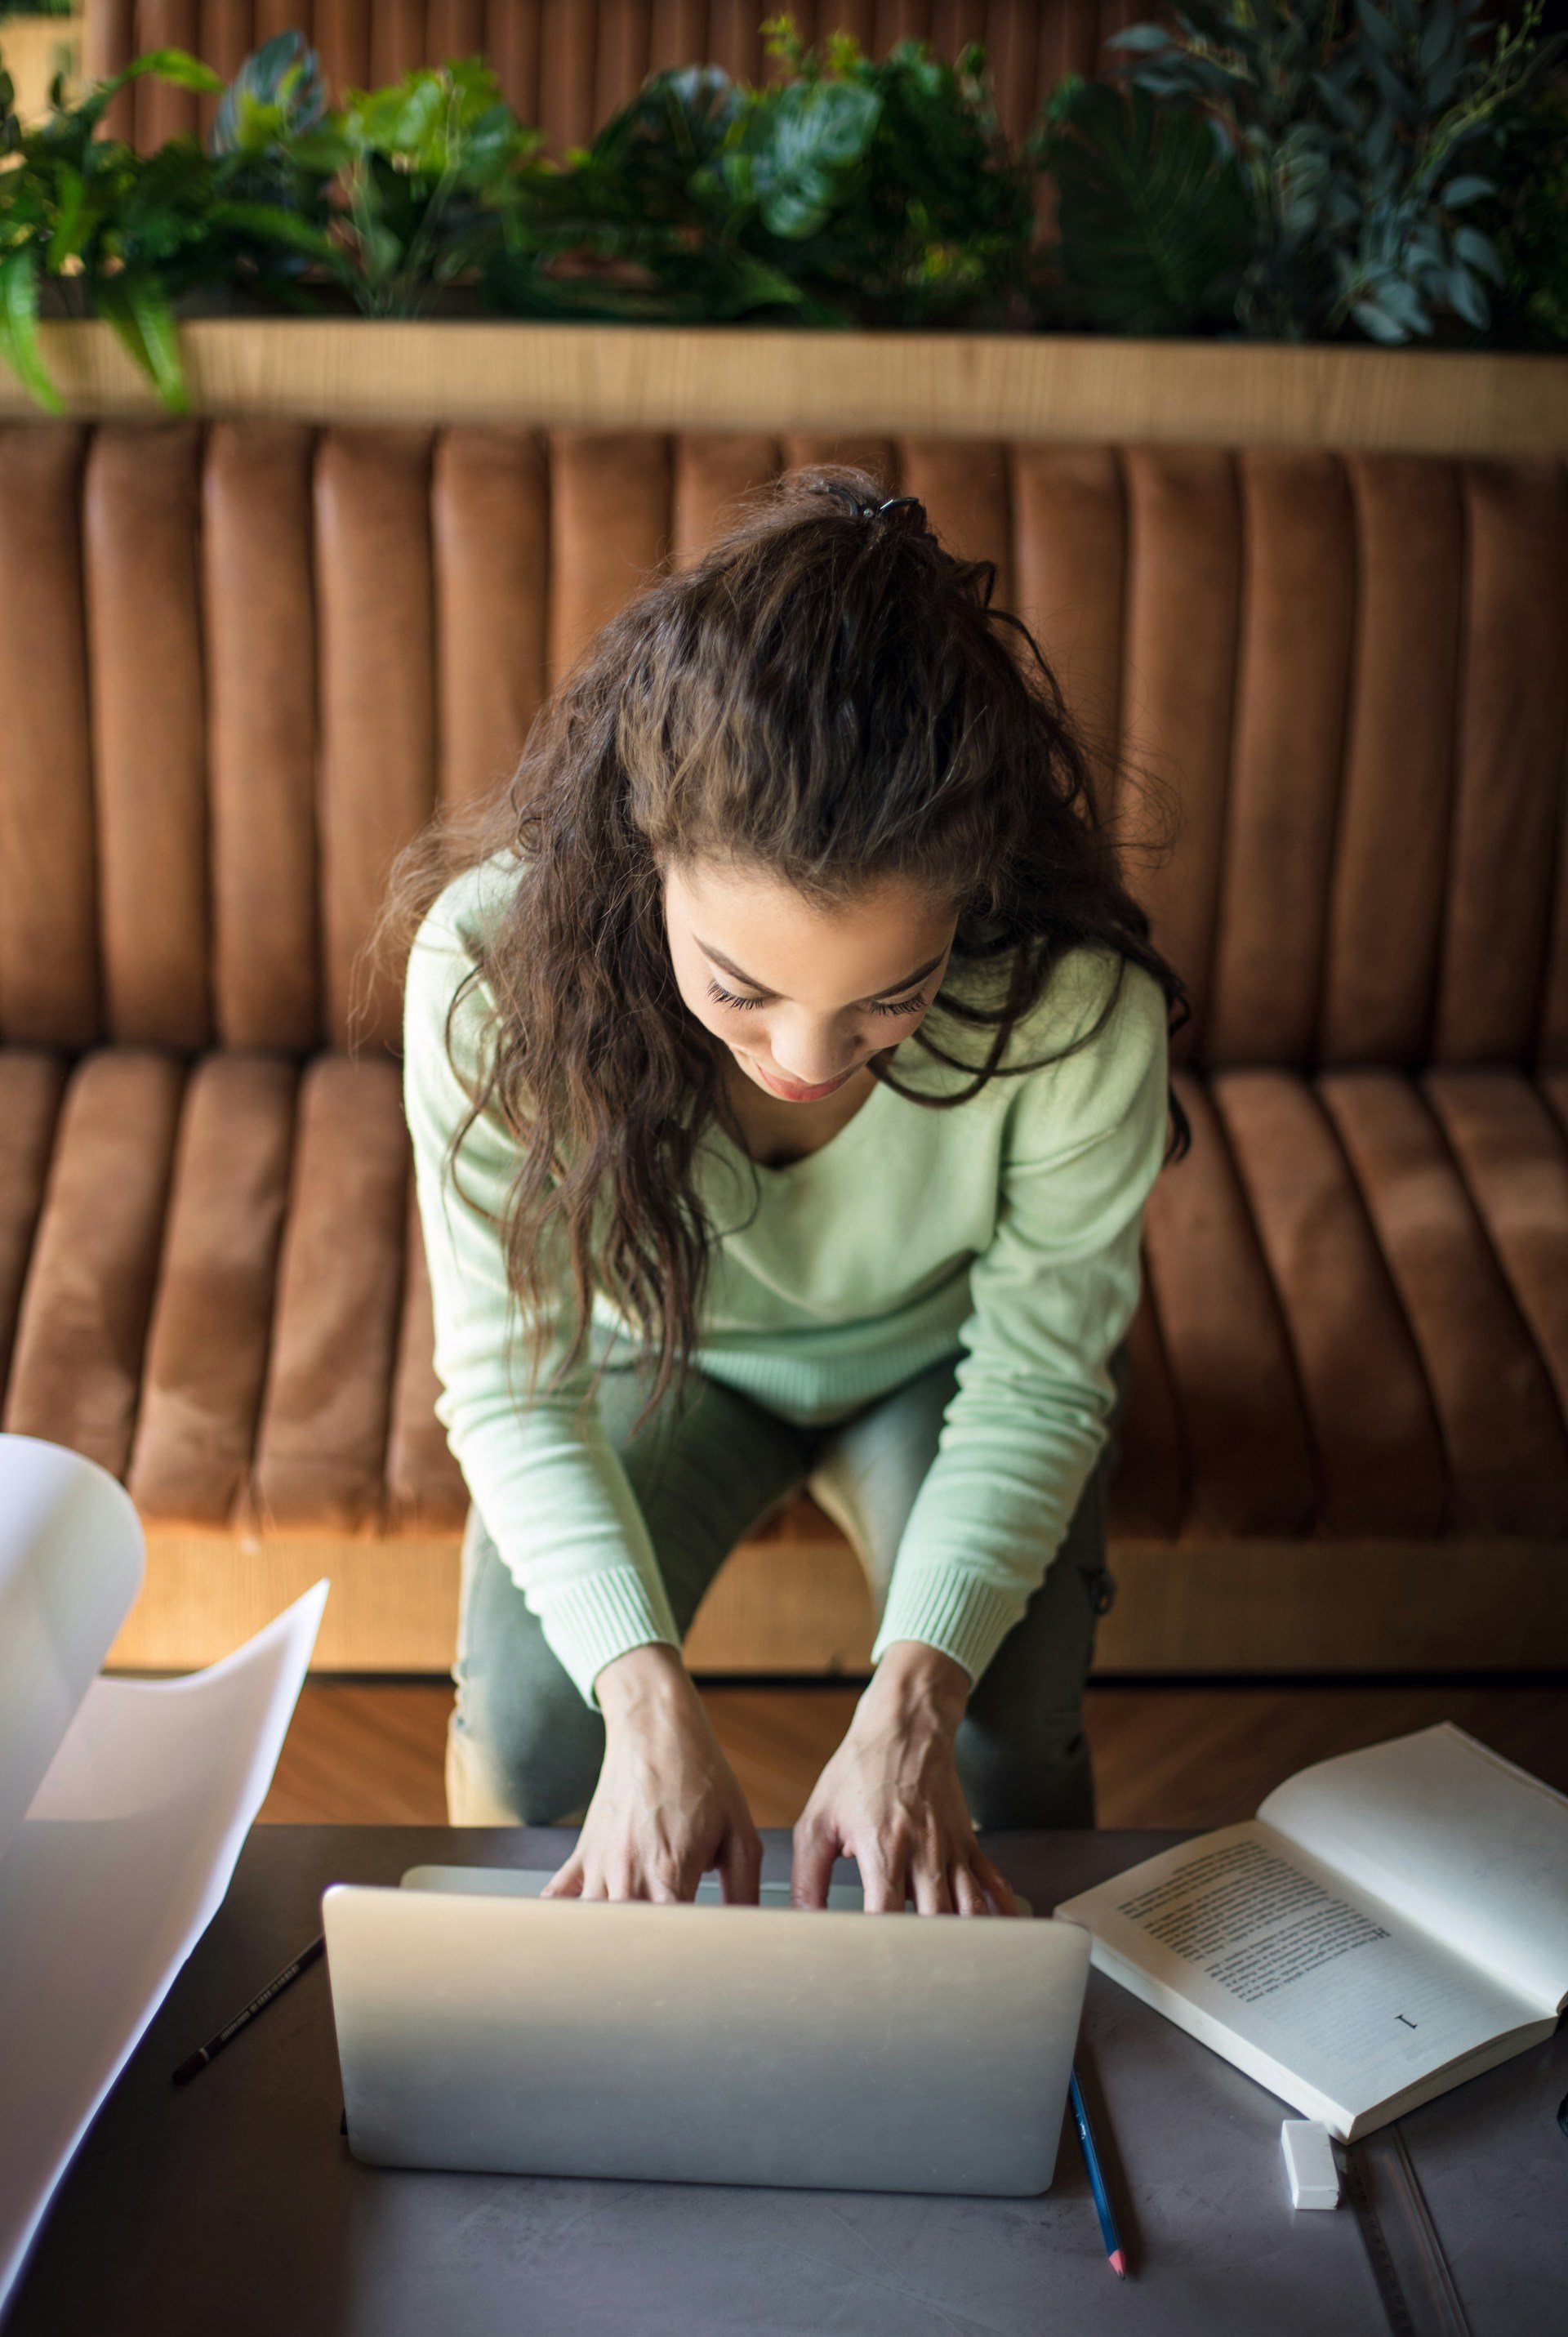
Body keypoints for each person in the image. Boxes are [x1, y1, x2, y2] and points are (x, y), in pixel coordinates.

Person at [392, 470, 1185, 1918]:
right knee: (529, 1731)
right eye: (738, 991)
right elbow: (511, 1386)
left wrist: (912, 1710)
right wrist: (642, 1706)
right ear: (643, 850)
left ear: (978, 892)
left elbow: (1040, 1380)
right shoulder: (488, 971)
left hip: (943, 1368)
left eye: (896, 998)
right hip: (665, 1347)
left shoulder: (1081, 1006)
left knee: (1006, 1746)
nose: (810, 1059)